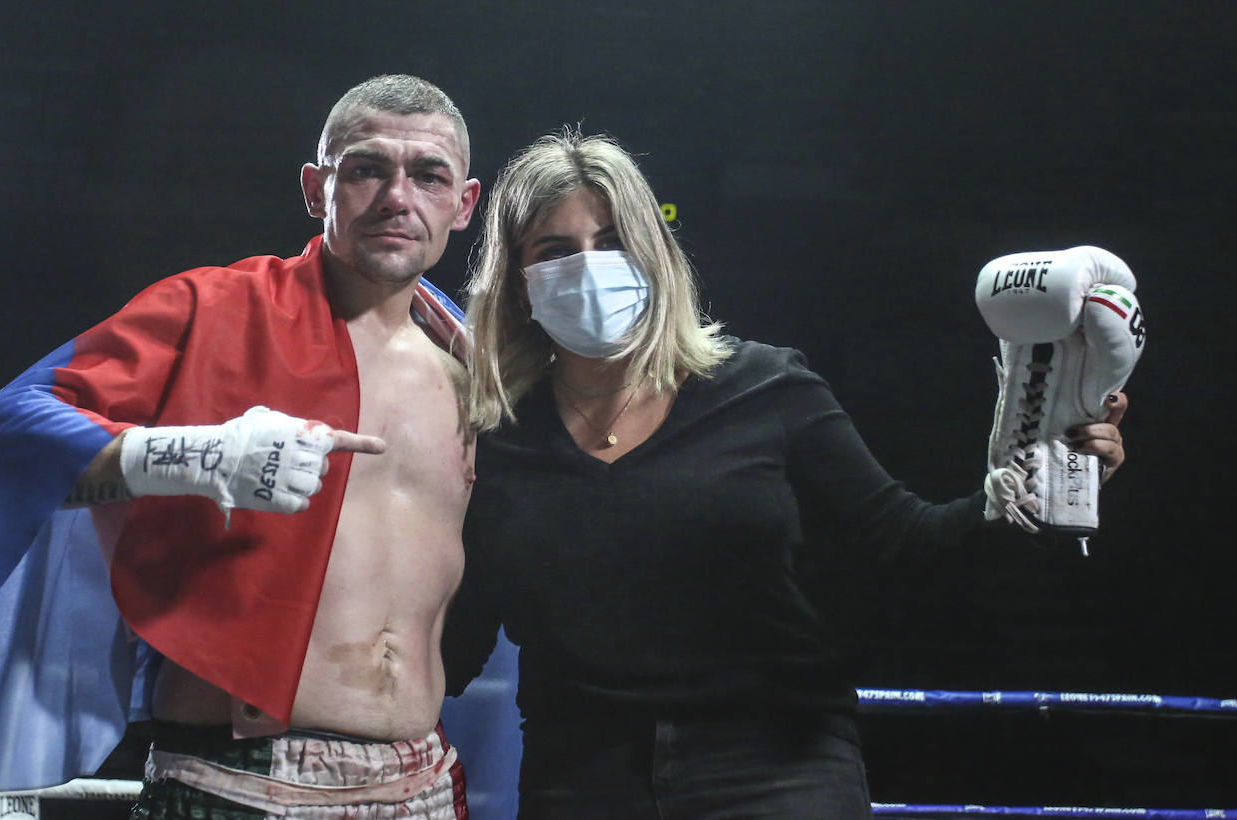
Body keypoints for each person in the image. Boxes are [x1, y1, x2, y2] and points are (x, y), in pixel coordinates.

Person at [442, 129, 1127, 818]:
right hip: (581, 778)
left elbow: (906, 544)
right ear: (518, 282)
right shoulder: (495, 438)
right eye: (555, 252)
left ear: (656, 255)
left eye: (613, 240)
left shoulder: (765, 386)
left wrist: (1034, 482)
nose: (588, 267)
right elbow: (453, 638)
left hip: (777, 768)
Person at [0, 74, 480, 820]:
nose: (396, 196)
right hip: (237, 779)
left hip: (420, 781)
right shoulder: (216, 309)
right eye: (366, 169)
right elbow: (9, 432)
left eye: (427, 175)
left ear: (463, 203)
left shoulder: (474, 370)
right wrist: (199, 457)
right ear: (317, 189)